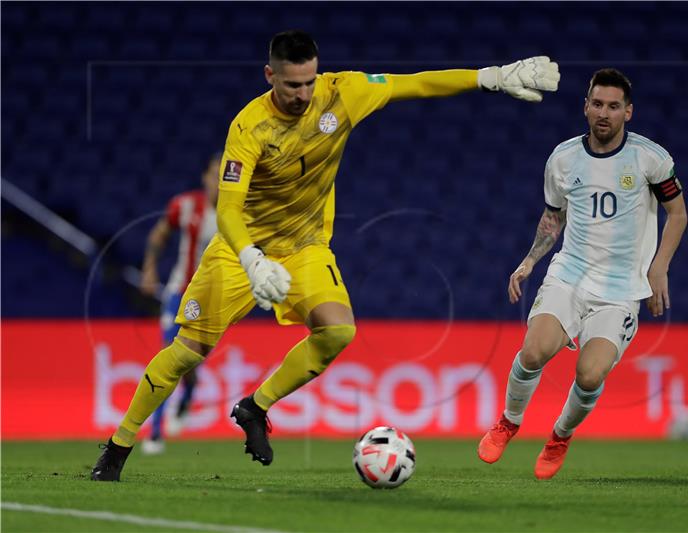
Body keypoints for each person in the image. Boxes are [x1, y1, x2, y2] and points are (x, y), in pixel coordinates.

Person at [91, 29, 560, 481]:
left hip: (305, 247)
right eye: (292, 84)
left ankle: (255, 405)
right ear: (269, 76)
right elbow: (227, 208)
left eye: (309, 81)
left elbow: (414, 84)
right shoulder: (249, 126)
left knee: (337, 330)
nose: (302, 93)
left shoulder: (342, 93)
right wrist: (252, 258)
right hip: (241, 252)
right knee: (185, 354)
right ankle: (119, 447)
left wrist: (491, 76)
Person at [477, 68, 687, 479]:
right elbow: (553, 217)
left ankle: (559, 436)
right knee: (534, 350)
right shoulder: (563, 158)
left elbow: (676, 212)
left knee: (590, 375)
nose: (604, 113)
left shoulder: (651, 159)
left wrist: (659, 267)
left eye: (613, 106)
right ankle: (508, 422)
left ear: (629, 112)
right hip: (569, 276)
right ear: (585, 107)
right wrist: (529, 261)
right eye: (597, 104)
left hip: (621, 290)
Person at [137, 153, 221, 455]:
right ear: (205, 177)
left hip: (211, 300)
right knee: (169, 355)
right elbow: (160, 233)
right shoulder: (186, 206)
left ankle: (190, 391)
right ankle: (155, 433)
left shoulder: (235, 215)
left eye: (224, 176)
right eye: (214, 174)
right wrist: (149, 267)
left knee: (190, 361)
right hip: (178, 292)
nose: (218, 182)